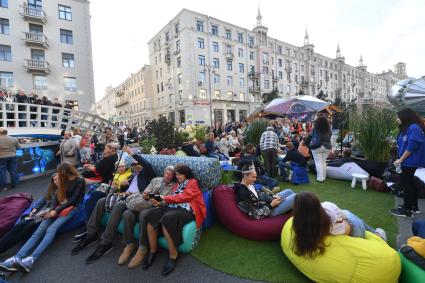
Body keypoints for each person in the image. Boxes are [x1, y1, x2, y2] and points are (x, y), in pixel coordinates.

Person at [71, 165, 175, 267]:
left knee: (125, 211)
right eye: (167, 173)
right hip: (137, 200)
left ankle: (117, 244)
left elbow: (163, 201)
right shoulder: (154, 179)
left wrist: (153, 199)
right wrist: (143, 194)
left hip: (148, 205)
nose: (168, 176)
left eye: (171, 174)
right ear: (164, 173)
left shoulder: (157, 179)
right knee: (108, 203)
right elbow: (144, 192)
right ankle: (98, 237)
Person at [0, 163, 85, 273]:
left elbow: (74, 199)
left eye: (60, 173)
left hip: (72, 208)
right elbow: (55, 198)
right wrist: (50, 210)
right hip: (58, 208)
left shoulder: (79, 180)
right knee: (39, 230)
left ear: (66, 171)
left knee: (51, 229)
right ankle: (17, 257)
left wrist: (55, 211)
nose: (58, 176)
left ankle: (31, 259)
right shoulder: (63, 181)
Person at [139, 164, 206, 276]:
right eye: (177, 174)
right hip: (173, 207)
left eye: (180, 174)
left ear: (186, 174)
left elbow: (185, 197)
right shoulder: (176, 185)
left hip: (189, 209)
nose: (178, 176)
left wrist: (165, 198)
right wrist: (156, 200)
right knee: (152, 215)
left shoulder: (192, 182)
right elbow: (170, 199)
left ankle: (173, 255)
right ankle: (152, 251)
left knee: (167, 218)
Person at [291, 192, 387, 258]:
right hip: (355, 231)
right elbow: (344, 218)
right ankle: (377, 234)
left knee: (347, 213)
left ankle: (375, 233)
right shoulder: (327, 207)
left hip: (352, 228)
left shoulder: (301, 224)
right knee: (347, 214)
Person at [0, 174, 58, 256]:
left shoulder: (64, 190)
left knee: (25, 230)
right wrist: (34, 209)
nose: (57, 181)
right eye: (55, 179)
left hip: (48, 215)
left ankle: (2, 249)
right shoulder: (51, 190)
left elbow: (59, 206)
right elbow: (41, 201)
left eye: (58, 179)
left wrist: (48, 211)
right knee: (19, 225)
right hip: (39, 214)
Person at [390, 108, 425, 218]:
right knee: (410, 184)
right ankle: (413, 207)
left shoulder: (413, 127)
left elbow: (412, 146)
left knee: (407, 185)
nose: (396, 119)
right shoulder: (408, 127)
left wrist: (400, 160)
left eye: (398, 117)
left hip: (410, 162)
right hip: (408, 162)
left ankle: (407, 210)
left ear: (405, 117)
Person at [310, 116, 332, 183]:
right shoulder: (329, 130)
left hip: (318, 146)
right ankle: (323, 177)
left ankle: (320, 178)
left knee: (318, 162)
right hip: (327, 147)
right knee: (323, 162)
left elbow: (312, 136)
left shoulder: (316, 129)